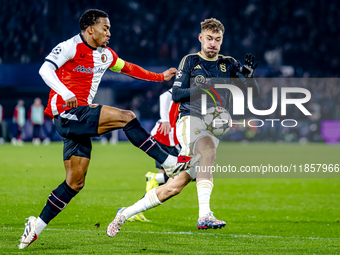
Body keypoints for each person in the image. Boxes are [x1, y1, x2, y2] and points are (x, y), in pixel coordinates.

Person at [18, 9, 200, 250]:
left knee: (75, 183)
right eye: (105, 28)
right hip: (66, 112)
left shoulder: (105, 55)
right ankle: (167, 161)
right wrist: (65, 92)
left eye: (110, 28)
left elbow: (130, 69)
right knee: (127, 117)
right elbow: (45, 69)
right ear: (90, 29)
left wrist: (159, 77)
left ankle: (36, 225)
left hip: (78, 121)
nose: (109, 33)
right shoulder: (70, 46)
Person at [107, 18, 259, 237]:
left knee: (174, 186)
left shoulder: (228, 63)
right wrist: (202, 88)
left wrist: (250, 77)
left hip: (213, 126)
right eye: (209, 39)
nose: (213, 44)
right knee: (208, 151)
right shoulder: (189, 61)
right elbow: (176, 94)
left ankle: (125, 213)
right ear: (200, 38)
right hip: (190, 120)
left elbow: (252, 95)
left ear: (222, 40)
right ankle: (205, 215)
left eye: (217, 39)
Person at [128, 88, 180, 222]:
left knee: (171, 182)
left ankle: (134, 211)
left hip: (172, 138)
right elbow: (164, 96)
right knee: (188, 175)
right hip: (166, 137)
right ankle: (155, 178)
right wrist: (165, 120)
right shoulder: (187, 83)